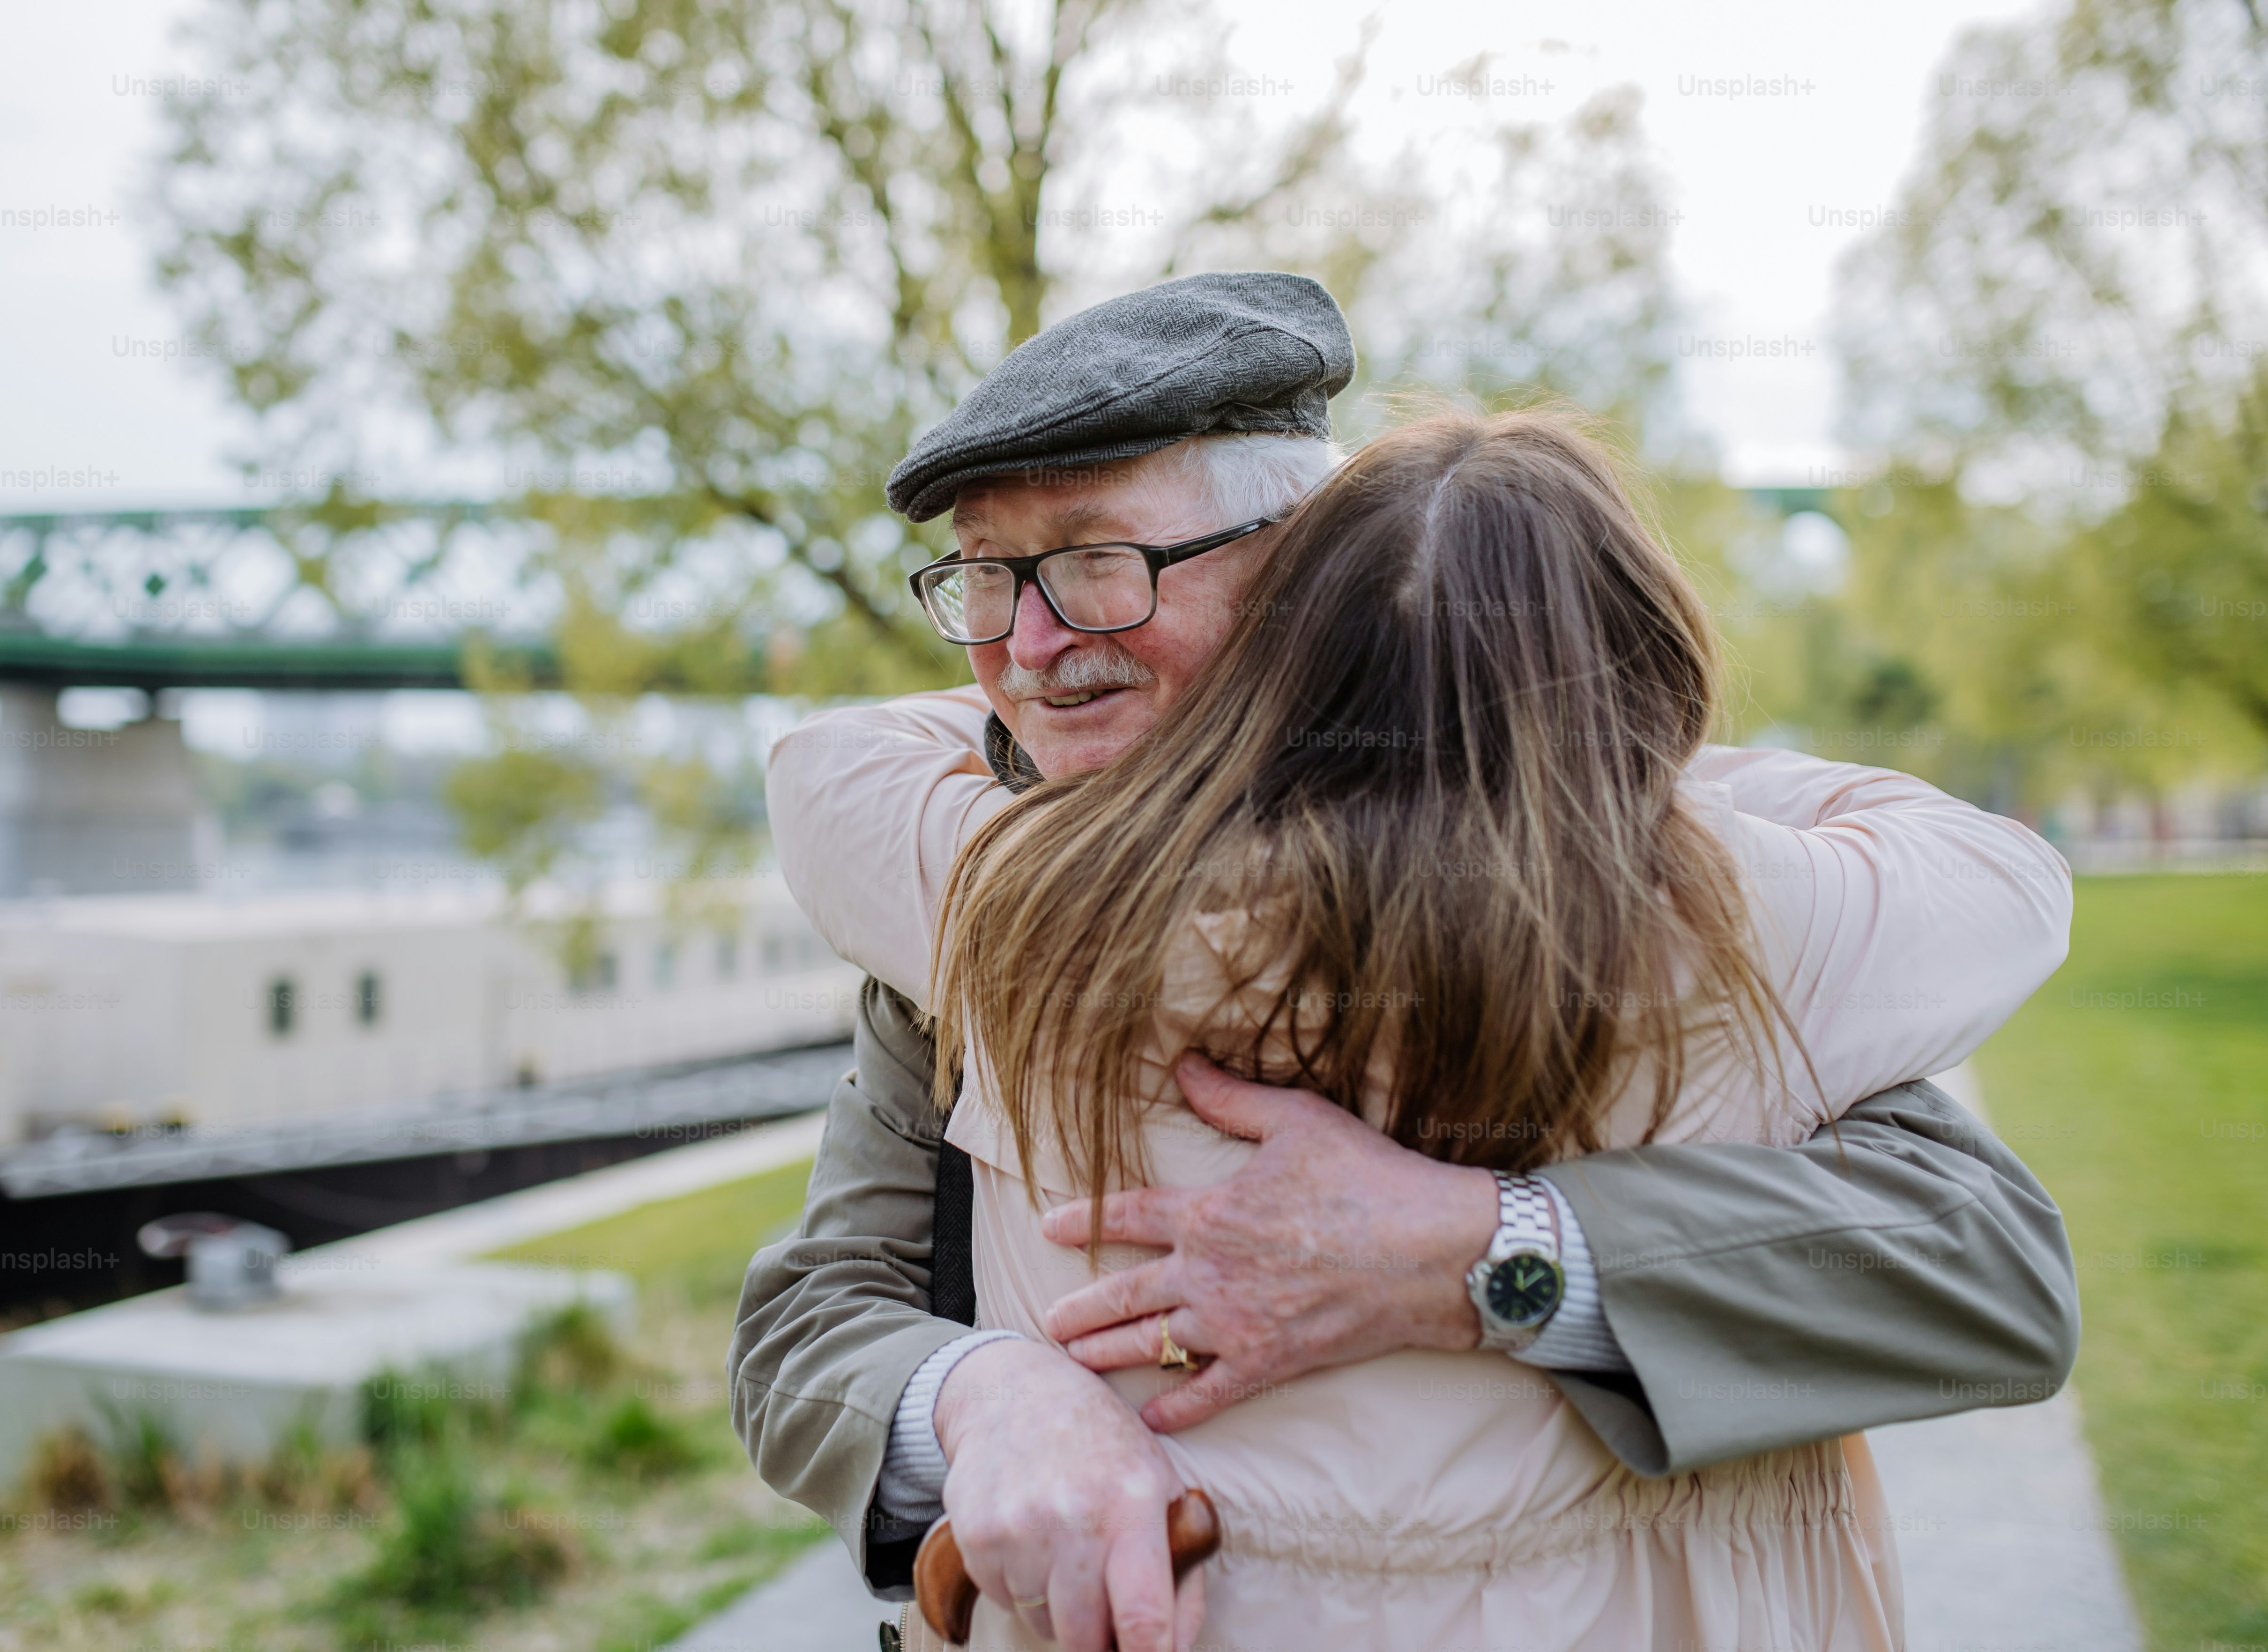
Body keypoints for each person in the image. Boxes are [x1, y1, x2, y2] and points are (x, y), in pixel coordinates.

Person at [728, 274, 2078, 1651]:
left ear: (1307, 568)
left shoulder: (964, 885)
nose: (1024, 647)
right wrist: (980, 1400)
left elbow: (1980, 1265)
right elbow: (809, 1327)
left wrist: (1485, 1256)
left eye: (1094, 564)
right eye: (985, 578)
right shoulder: (974, 902)